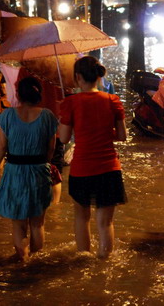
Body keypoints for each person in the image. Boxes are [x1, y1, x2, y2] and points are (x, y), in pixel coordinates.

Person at [0, 76, 58, 261]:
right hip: (39, 171)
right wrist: (42, 164)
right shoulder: (48, 116)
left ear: (18, 94)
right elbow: (51, 148)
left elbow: (1, 147)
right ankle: (36, 262)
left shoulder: (7, 115)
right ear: (38, 93)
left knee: (18, 224)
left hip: (14, 171)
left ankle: (22, 260)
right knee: (37, 224)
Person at [59, 56, 127, 258]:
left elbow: (63, 138)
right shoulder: (113, 100)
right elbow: (122, 136)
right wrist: (103, 132)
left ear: (77, 77)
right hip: (109, 168)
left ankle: (83, 260)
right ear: (99, 76)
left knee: (82, 218)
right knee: (106, 223)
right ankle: (105, 263)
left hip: (82, 169)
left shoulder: (70, 102)